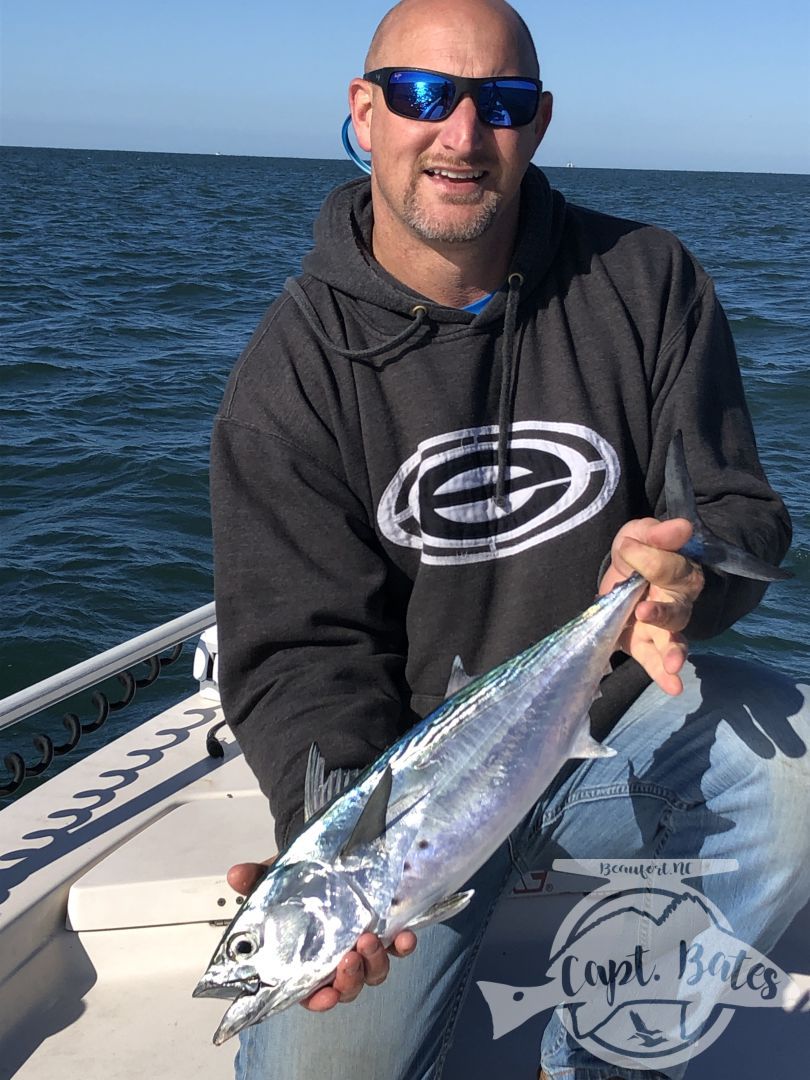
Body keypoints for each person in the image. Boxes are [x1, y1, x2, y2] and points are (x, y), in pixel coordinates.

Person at [210, 1, 810, 1077]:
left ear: (537, 125)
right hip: (411, 797)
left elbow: (743, 520)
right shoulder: (290, 376)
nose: (460, 133)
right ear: (365, 111)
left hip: (613, 741)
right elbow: (299, 654)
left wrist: (683, 579)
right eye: (424, 95)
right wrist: (333, 836)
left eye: (503, 101)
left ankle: (637, 1041)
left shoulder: (646, 281)